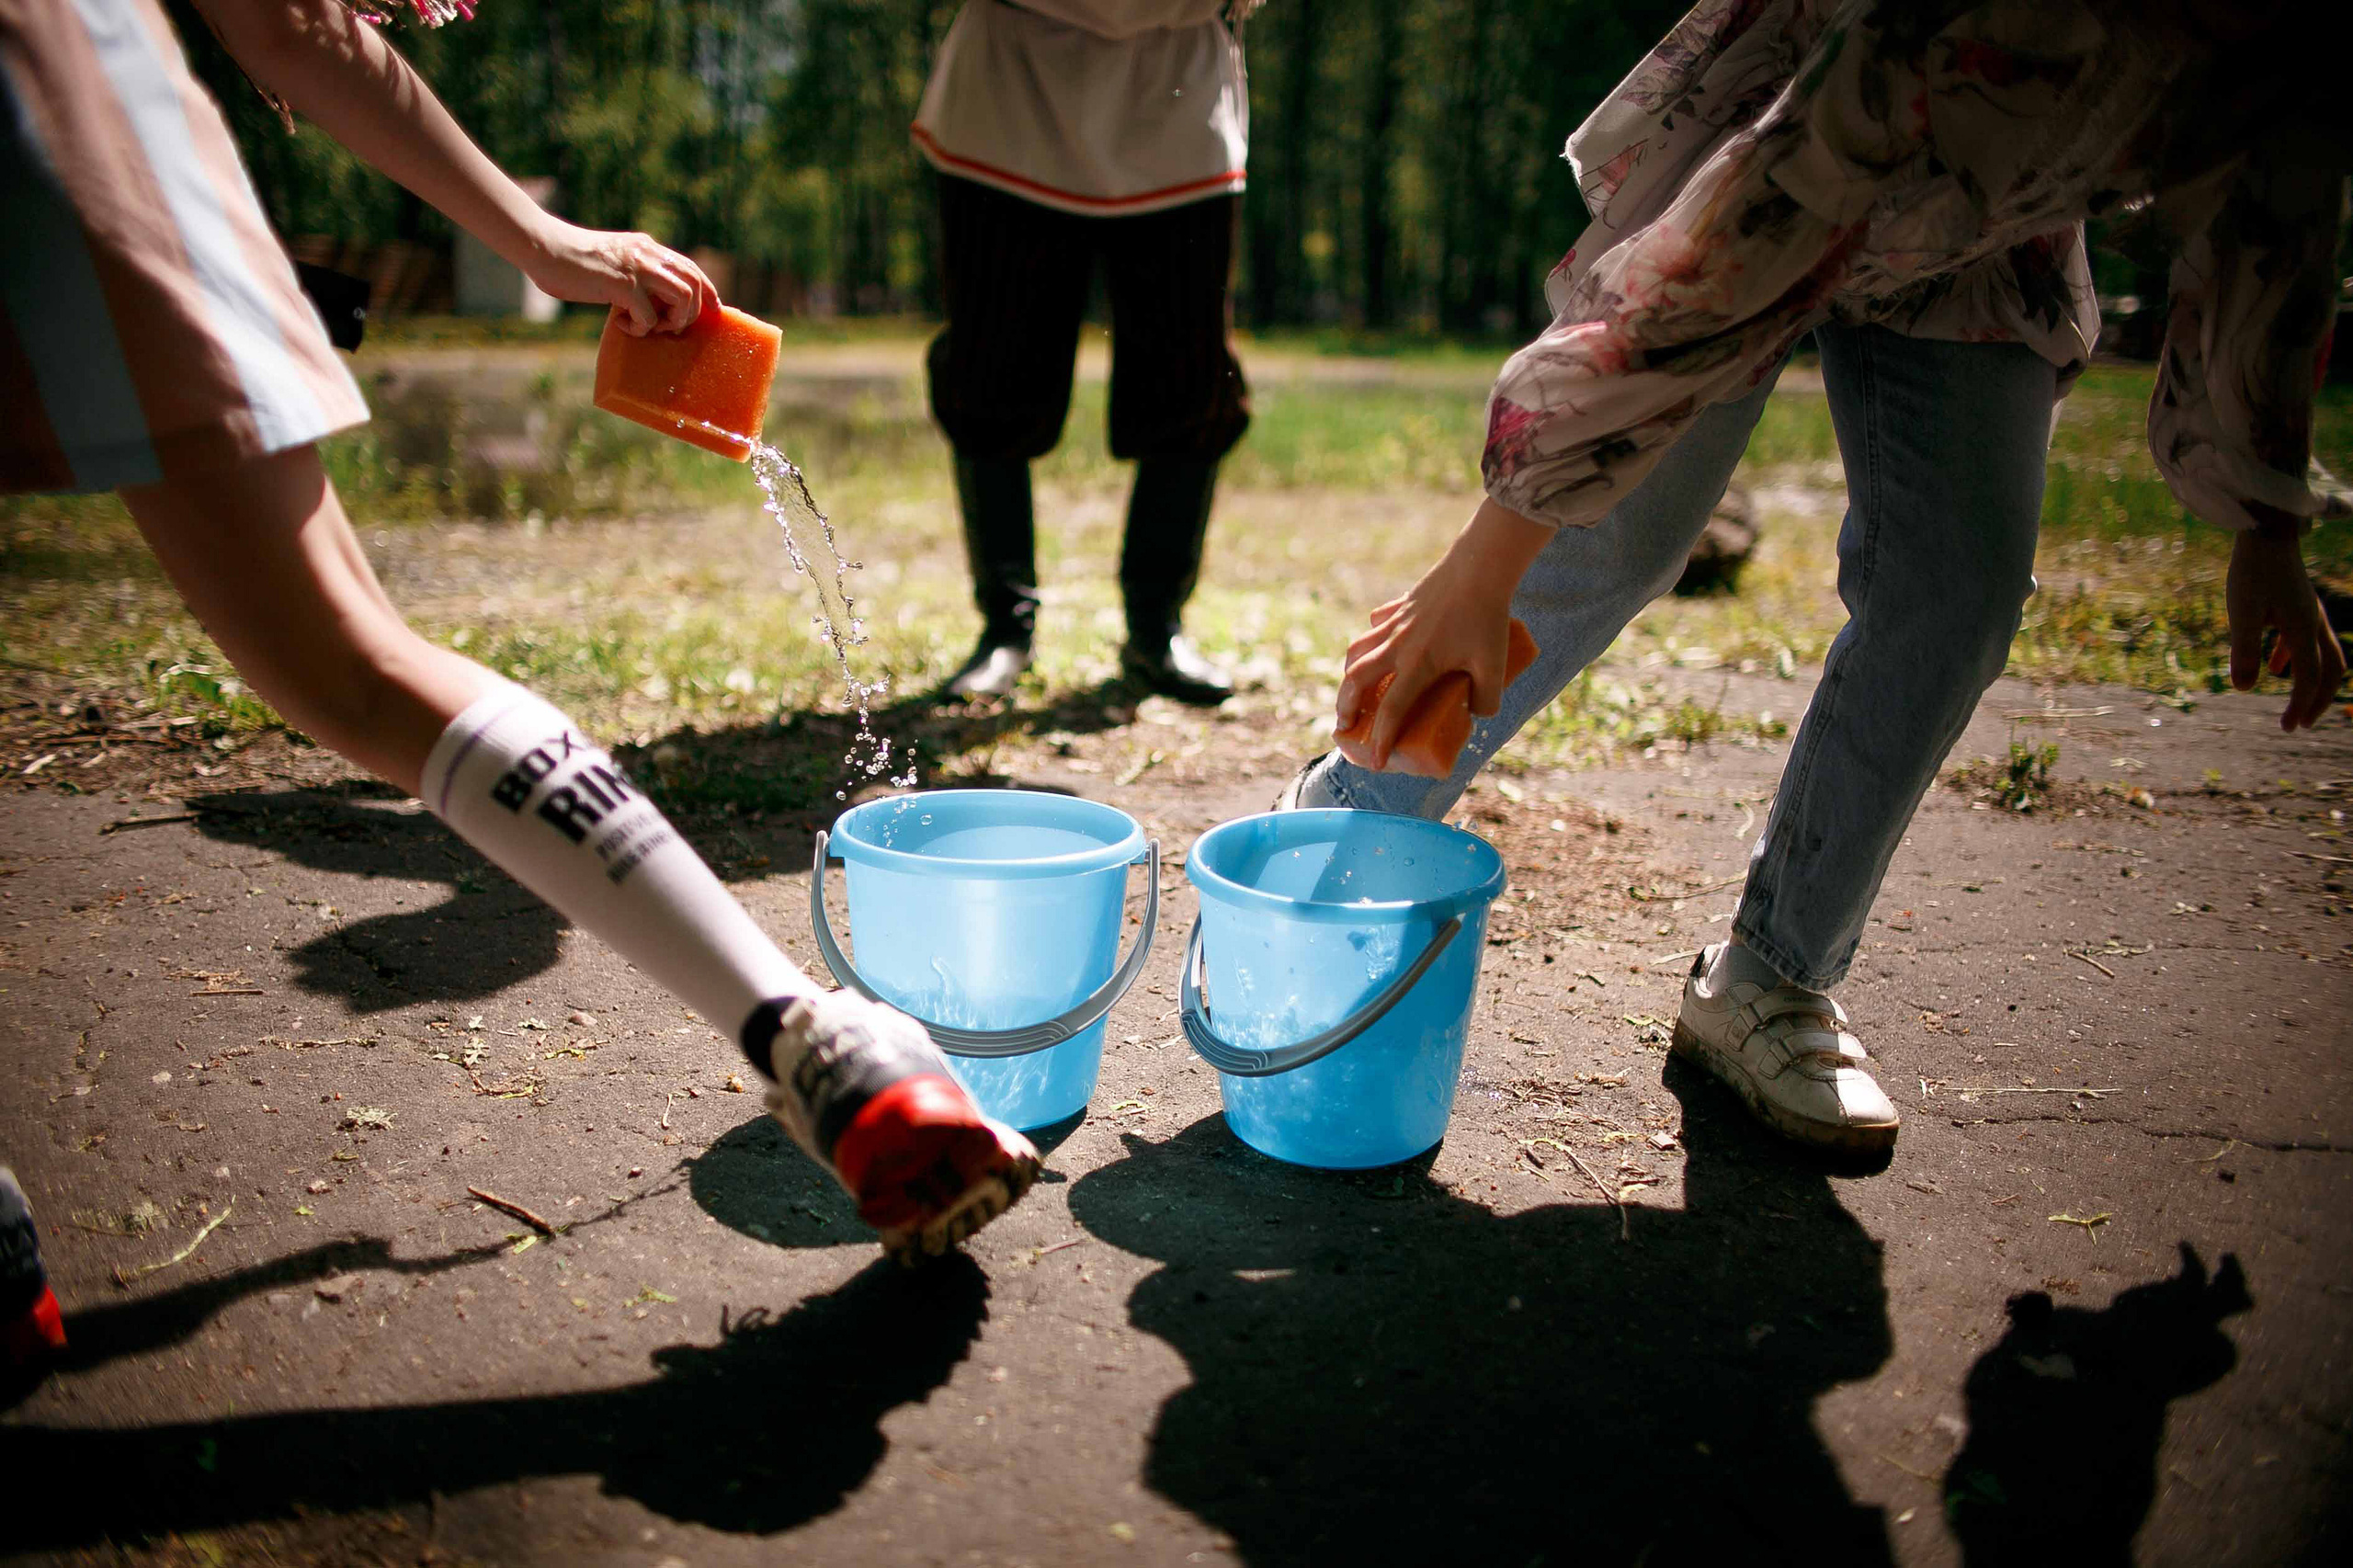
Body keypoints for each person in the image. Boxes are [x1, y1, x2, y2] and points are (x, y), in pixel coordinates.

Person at [0, 0, 1041, 1296]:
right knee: (356, 665)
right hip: (58, 114)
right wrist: (539, 239)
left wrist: (545, 246)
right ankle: (819, 1043)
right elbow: (285, 21)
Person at [1289, 0, 2348, 1155]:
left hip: (1991, 234)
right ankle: (1348, 824)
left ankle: (1773, 974)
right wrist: (1477, 564)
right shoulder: (1959, 30)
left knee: (1961, 587)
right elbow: (1721, 269)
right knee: (1616, 535)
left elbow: (2278, 229)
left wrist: (2265, 521)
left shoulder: (2276, 56)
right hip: (1796, 140)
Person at [914, 0, 1260, 703]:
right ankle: (1004, 628)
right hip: (1008, 102)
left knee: (1189, 377)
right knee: (990, 370)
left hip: (1176, 102)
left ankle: (1155, 629)